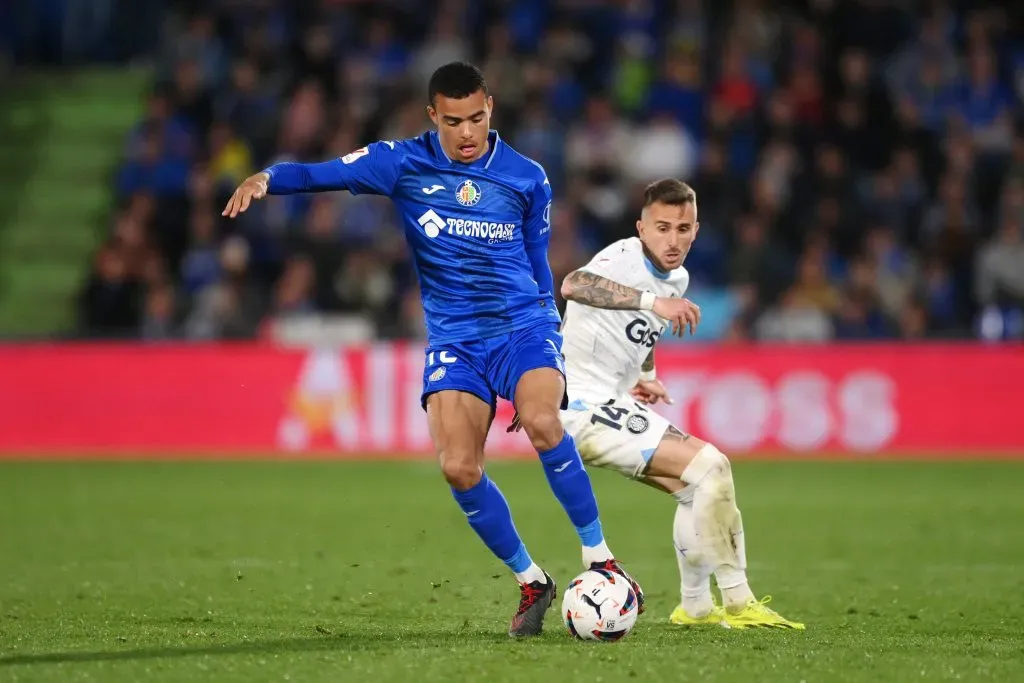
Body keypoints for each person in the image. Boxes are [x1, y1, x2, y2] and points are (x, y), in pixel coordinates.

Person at [222, 62, 647, 637]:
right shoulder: (402, 162)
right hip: (455, 340)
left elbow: (537, 262)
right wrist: (264, 179)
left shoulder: (527, 178)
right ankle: (531, 580)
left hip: (523, 327)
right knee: (457, 467)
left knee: (545, 421)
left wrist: (547, 346)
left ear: (491, 108)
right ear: (432, 117)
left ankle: (601, 558)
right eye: (453, 122)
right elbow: (317, 173)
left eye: (476, 117)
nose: (467, 132)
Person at [532, 178, 804, 629]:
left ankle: (695, 607)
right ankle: (739, 602)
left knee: (697, 491)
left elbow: (645, 327)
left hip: (610, 400)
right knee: (713, 466)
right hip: (578, 404)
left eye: (683, 228)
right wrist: (652, 301)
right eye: (662, 228)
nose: (672, 239)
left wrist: (646, 376)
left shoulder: (677, 278)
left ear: (696, 230)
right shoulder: (624, 258)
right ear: (642, 228)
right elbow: (573, 284)